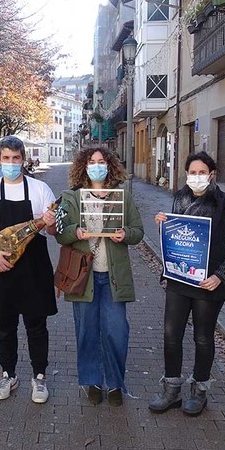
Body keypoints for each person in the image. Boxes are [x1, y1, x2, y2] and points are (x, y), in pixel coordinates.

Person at [0, 135, 57, 403]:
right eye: (6, 158)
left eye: (16, 159)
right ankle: (8, 374)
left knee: (36, 325)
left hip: (34, 267)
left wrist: (50, 222)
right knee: (4, 325)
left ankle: (39, 377)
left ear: (23, 160)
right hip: (0, 267)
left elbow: (52, 231)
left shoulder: (40, 189)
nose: (12, 163)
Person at [149, 151, 225, 416]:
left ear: (212, 174)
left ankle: (199, 391)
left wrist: (219, 276)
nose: (197, 177)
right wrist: (163, 226)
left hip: (208, 284)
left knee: (202, 337)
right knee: (171, 334)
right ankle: (171, 389)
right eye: (193, 172)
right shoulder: (180, 198)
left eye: (202, 172)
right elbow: (177, 239)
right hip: (180, 278)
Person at [55, 146, 144, 406]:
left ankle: (115, 383)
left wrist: (125, 234)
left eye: (101, 161)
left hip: (114, 277)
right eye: (92, 161)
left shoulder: (122, 197)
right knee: (87, 332)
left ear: (109, 165)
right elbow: (60, 234)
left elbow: (138, 231)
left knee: (116, 331)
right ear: (84, 166)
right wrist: (75, 231)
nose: (97, 165)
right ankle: (91, 380)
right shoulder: (71, 197)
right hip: (84, 278)